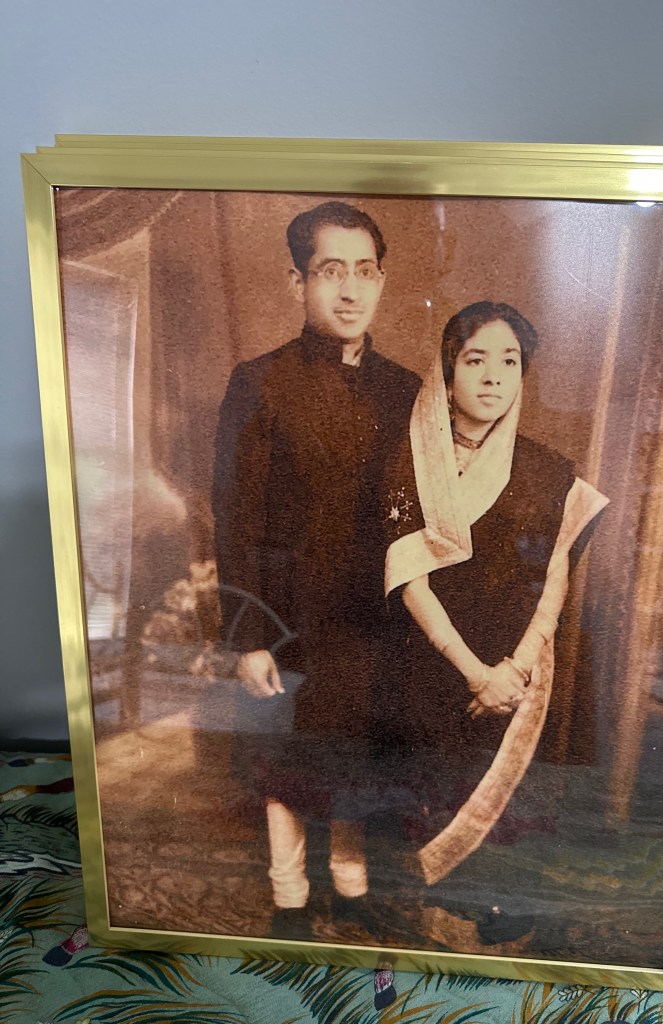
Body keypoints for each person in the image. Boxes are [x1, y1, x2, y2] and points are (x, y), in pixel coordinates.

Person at [211, 201, 420, 940]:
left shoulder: (407, 390)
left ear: (382, 281)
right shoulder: (259, 382)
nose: (350, 290)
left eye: (365, 272)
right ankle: (291, 895)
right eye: (331, 272)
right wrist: (249, 637)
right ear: (297, 281)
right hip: (289, 616)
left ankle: (352, 886)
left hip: (372, 619)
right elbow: (235, 517)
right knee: (286, 762)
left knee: (355, 754)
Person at [382, 300, 608, 946]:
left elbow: (555, 578)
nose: (492, 377)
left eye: (509, 362)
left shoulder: (547, 468)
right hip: (437, 659)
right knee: (437, 791)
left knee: (511, 804)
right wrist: (473, 672)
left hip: (518, 665)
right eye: (475, 360)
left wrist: (515, 667)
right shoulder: (409, 458)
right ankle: (439, 931)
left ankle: (499, 930)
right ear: (447, 370)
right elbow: (409, 578)